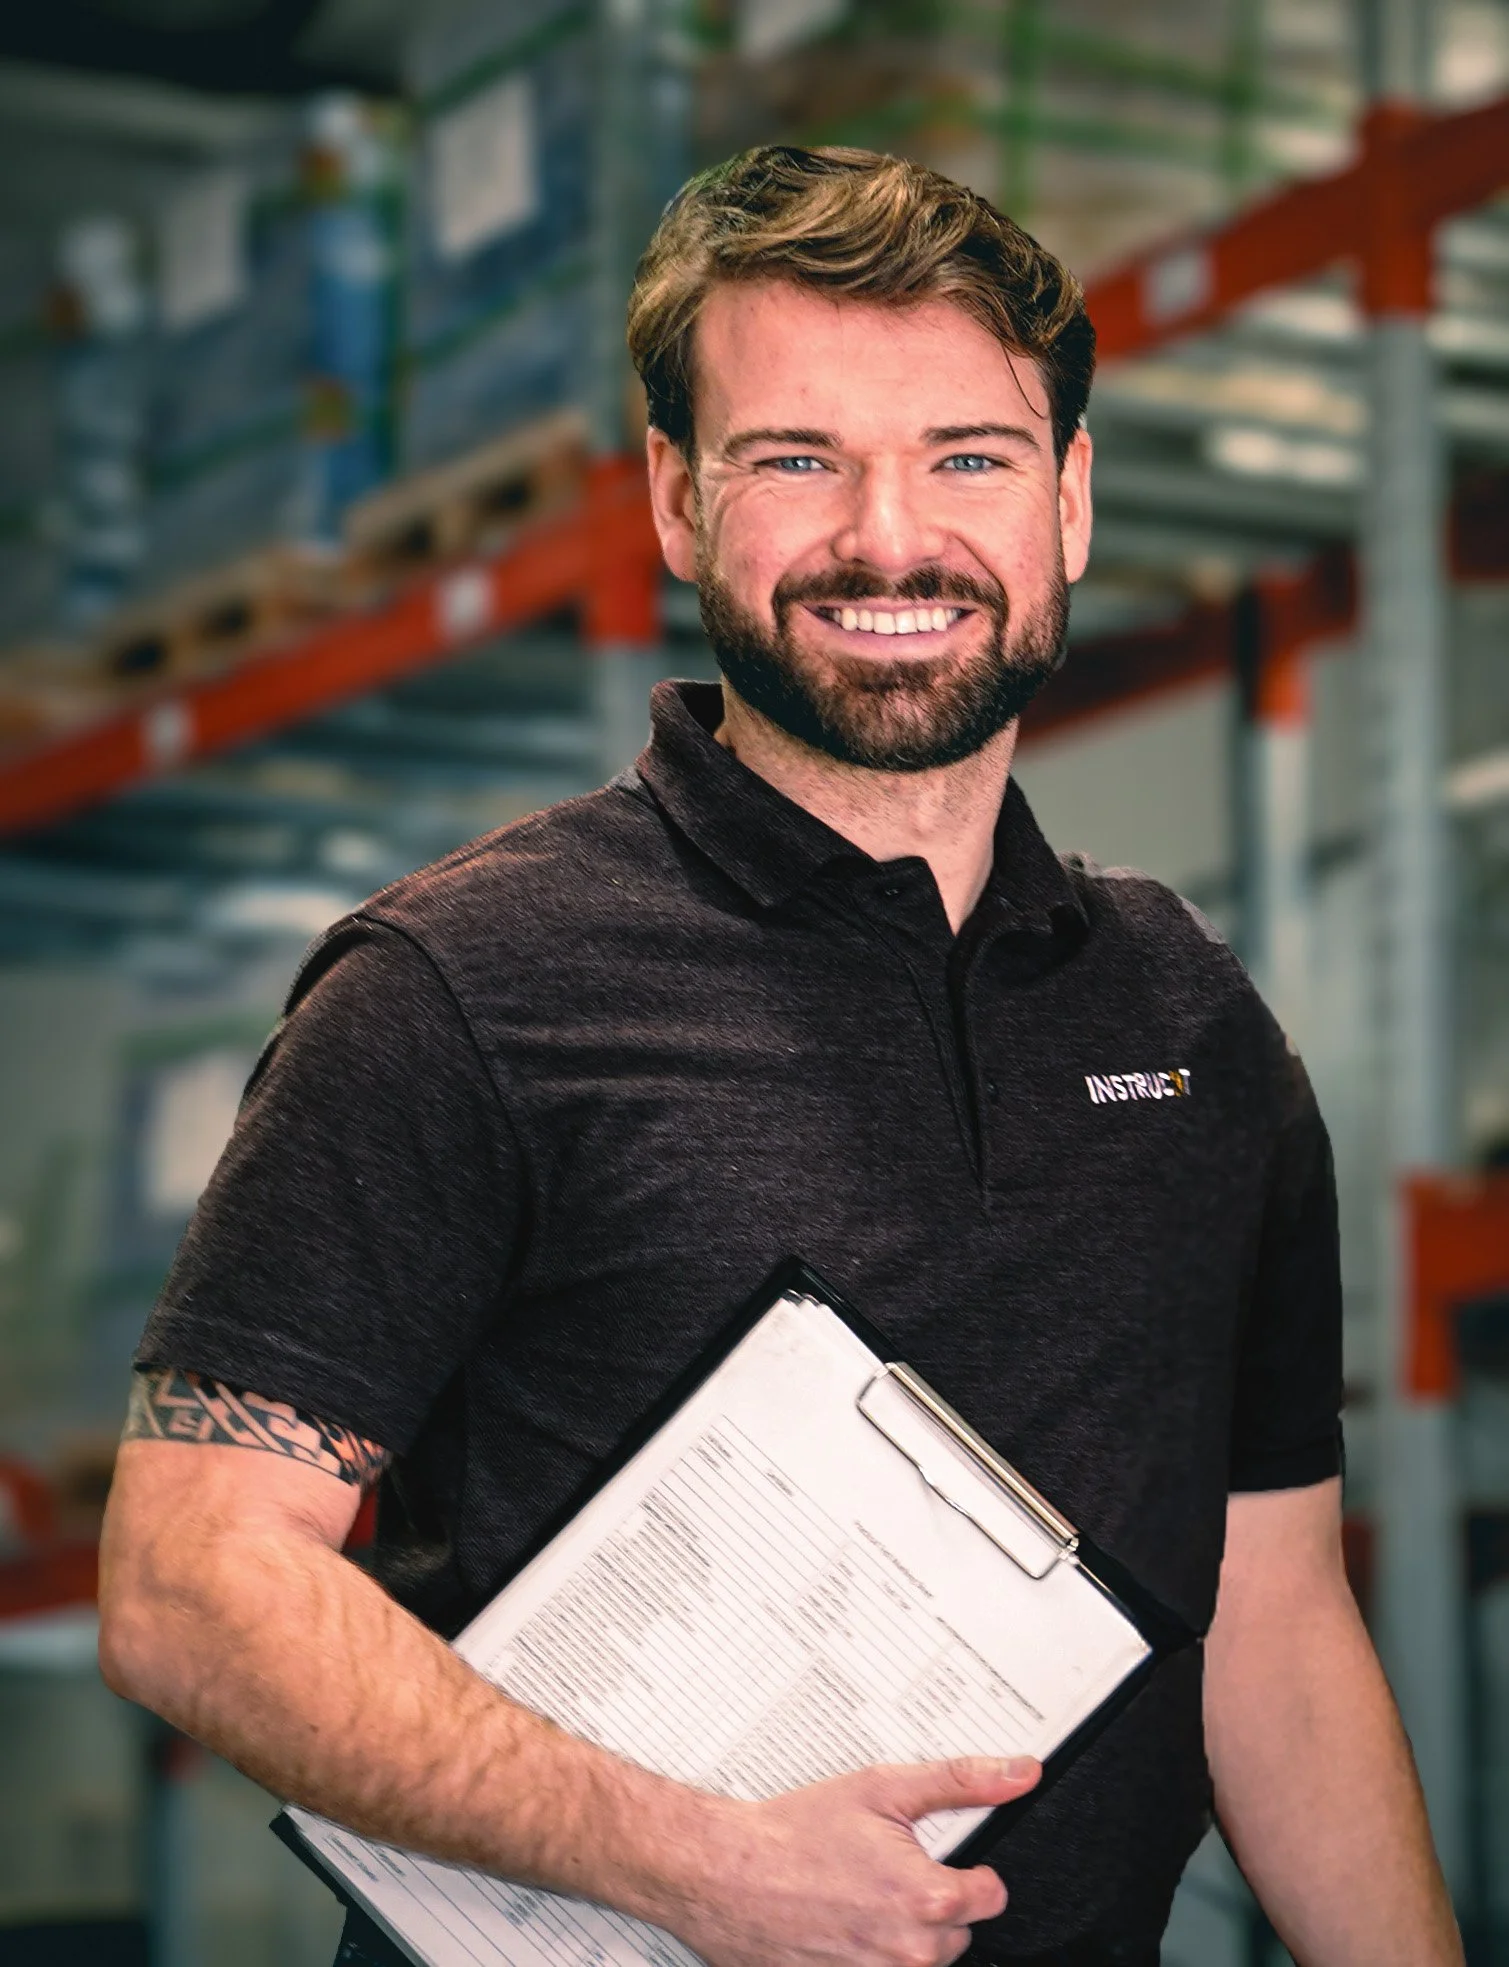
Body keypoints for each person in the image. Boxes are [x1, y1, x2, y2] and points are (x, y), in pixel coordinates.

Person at [99, 146, 1462, 1967]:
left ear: (1067, 496)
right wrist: (690, 1861)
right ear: (677, 500)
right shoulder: (466, 983)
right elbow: (194, 1581)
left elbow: (1274, 1622)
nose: (889, 540)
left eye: (965, 458)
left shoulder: (1188, 1022)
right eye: (795, 459)